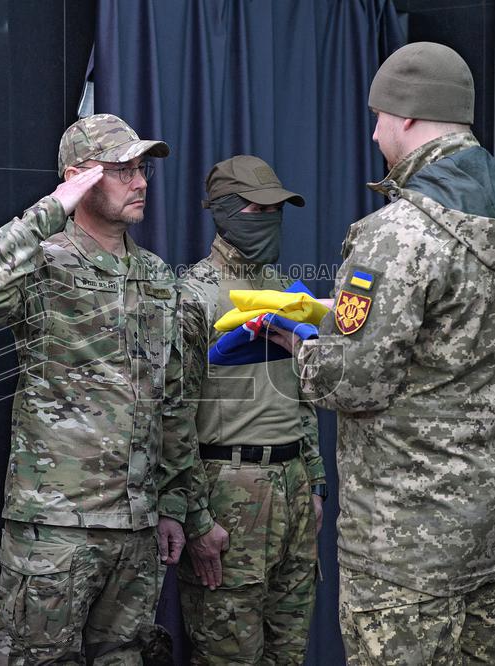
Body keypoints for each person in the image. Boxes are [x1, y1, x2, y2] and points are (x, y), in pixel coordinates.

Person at [269, 42, 495, 664]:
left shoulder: (396, 236)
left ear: (405, 117)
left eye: (377, 119)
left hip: (405, 544)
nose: (373, 135)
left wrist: (302, 344)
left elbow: (354, 383)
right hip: (491, 530)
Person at [0, 113, 197, 665]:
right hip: (58, 526)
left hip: (137, 523)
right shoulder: (44, 263)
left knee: (124, 657)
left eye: (142, 170)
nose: (141, 182)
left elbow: (171, 397)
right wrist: (54, 205)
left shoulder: (155, 275)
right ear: (79, 177)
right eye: (122, 170)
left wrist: (176, 502)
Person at [176, 155, 325, 665]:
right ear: (223, 212)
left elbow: (301, 395)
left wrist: (315, 483)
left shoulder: (285, 291)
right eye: (257, 209)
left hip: (293, 493)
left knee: (289, 653)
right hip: (229, 492)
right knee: (228, 655)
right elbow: (171, 419)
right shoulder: (190, 297)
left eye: (276, 210)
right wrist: (195, 518)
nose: (269, 219)